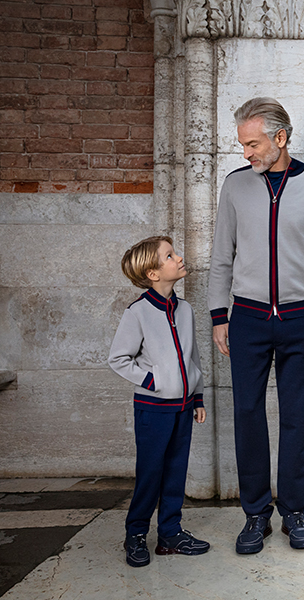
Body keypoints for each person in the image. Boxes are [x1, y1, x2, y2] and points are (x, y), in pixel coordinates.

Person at [208, 97, 304, 554]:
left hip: (303, 320)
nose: (246, 153)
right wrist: (217, 314)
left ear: (280, 138)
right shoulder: (235, 187)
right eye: (242, 144)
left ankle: (295, 512)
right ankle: (255, 515)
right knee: (246, 414)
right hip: (246, 318)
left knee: (295, 417)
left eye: (252, 143)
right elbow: (221, 255)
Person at [109, 236, 210, 567]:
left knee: (176, 472)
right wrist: (153, 381)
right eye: (170, 255)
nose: (179, 258)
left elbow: (192, 357)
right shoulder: (138, 312)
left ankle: (170, 533)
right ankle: (136, 534)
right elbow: (119, 358)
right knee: (151, 473)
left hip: (183, 407)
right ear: (153, 273)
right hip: (153, 409)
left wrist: (197, 396)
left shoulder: (186, 310)